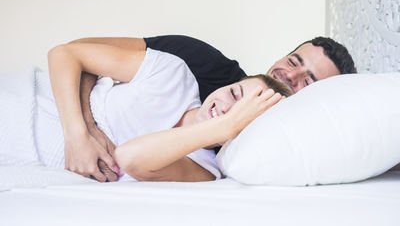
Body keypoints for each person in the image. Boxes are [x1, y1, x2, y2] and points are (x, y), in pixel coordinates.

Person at [69, 35, 357, 181]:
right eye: (294, 61)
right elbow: (79, 52)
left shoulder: (229, 158)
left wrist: (226, 127)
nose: (289, 76)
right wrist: (82, 131)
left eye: (308, 81)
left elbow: (130, 158)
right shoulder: (195, 66)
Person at [43, 43, 293, 182]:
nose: (227, 107)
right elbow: (64, 53)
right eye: (235, 93)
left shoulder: (205, 169)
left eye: (241, 114)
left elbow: (129, 157)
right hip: (34, 102)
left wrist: (227, 126)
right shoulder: (174, 72)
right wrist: (78, 135)